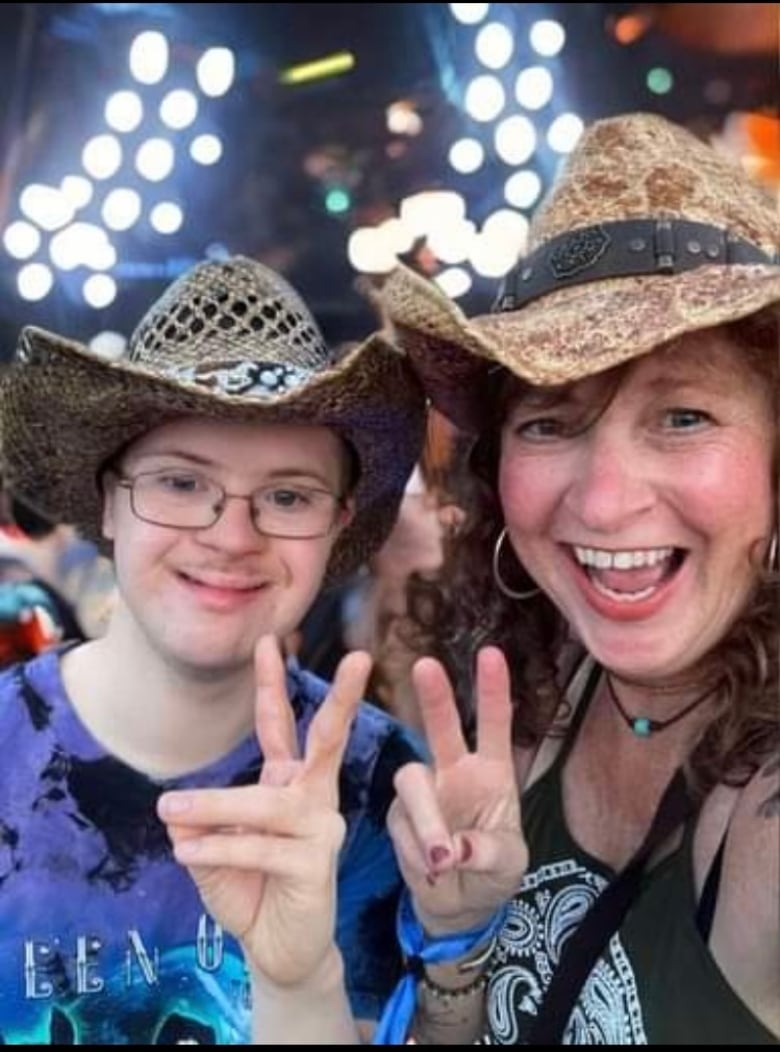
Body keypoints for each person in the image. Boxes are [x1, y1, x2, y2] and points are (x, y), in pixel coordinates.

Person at [376, 112, 780, 1044]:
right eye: (550, 423)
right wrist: (453, 943)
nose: (601, 504)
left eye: (681, 416)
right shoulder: (535, 700)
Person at [0, 256, 426, 1044]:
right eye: (180, 483)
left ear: (335, 529)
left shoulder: (385, 793)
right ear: (109, 504)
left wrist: (302, 983)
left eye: (288, 496)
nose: (232, 536)